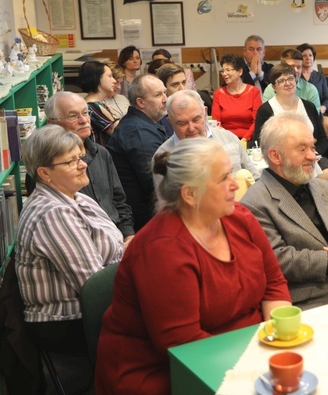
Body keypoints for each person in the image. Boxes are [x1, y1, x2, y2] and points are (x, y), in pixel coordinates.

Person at [95, 138, 291, 393]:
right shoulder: (162, 248)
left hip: (242, 353)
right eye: (223, 179)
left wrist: (277, 338)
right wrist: (255, 366)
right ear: (189, 194)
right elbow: (183, 344)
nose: (235, 185)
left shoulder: (238, 217)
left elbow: (274, 283)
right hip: (164, 372)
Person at [241, 113, 328, 309]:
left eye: (312, 147)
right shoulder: (254, 203)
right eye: (302, 149)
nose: (312, 156)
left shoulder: (323, 188)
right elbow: (278, 259)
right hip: (308, 303)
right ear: (275, 156)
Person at [17, 126, 124, 357]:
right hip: (69, 321)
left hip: (92, 309)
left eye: (80, 156)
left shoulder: (77, 197)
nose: (83, 164)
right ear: (45, 174)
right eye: (70, 162)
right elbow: (95, 286)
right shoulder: (53, 213)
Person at [35, 91, 135, 245]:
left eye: (85, 113)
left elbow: (119, 201)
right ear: (52, 124)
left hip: (117, 238)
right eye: (73, 116)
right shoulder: (48, 166)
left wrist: (128, 235)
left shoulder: (102, 153)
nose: (84, 120)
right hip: (82, 242)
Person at [154, 90, 260, 186]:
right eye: (182, 123)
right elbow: (167, 205)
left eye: (196, 119)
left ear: (205, 113)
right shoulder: (164, 157)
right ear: (170, 122)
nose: (191, 128)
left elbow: (255, 179)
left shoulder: (229, 139)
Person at [107, 74, 168, 232]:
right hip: (146, 223)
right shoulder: (138, 131)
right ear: (140, 102)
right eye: (158, 95)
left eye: (164, 93)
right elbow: (156, 181)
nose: (165, 99)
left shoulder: (144, 124)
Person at [253, 63, 328, 160]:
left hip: (311, 156)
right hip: (281, 159)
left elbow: (323, 139)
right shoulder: (265, 110)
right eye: (281, 81)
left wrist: (314, 153)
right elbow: (260, 142)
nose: (288, 83)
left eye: (290, 78)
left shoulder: (309, 106)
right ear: (273, 87)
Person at [211, 53, 263, 141]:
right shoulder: (218, 94)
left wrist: (245, 139)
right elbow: (216, 122)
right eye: (222, 71)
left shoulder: (254, 92)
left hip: (249, 139)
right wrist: (229, 139)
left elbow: (256, 121)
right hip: (226, 139)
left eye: (228, 70)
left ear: (240, 72)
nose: (224, 74)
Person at [79, 60, 120, 145]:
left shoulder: (99, 103)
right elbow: (119, 133)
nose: (114, 81)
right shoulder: (93, 106)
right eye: (110, 76)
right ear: (97, 78)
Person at [297, 43, 328, 136]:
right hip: (300, 113)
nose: (308, 58)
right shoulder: (295, 76)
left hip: (318, 112)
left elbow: (327, 100)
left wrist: (322, 108)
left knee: (327, 123)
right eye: (304, 56)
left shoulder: (320, 77)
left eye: (310, 55)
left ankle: (321, 149)